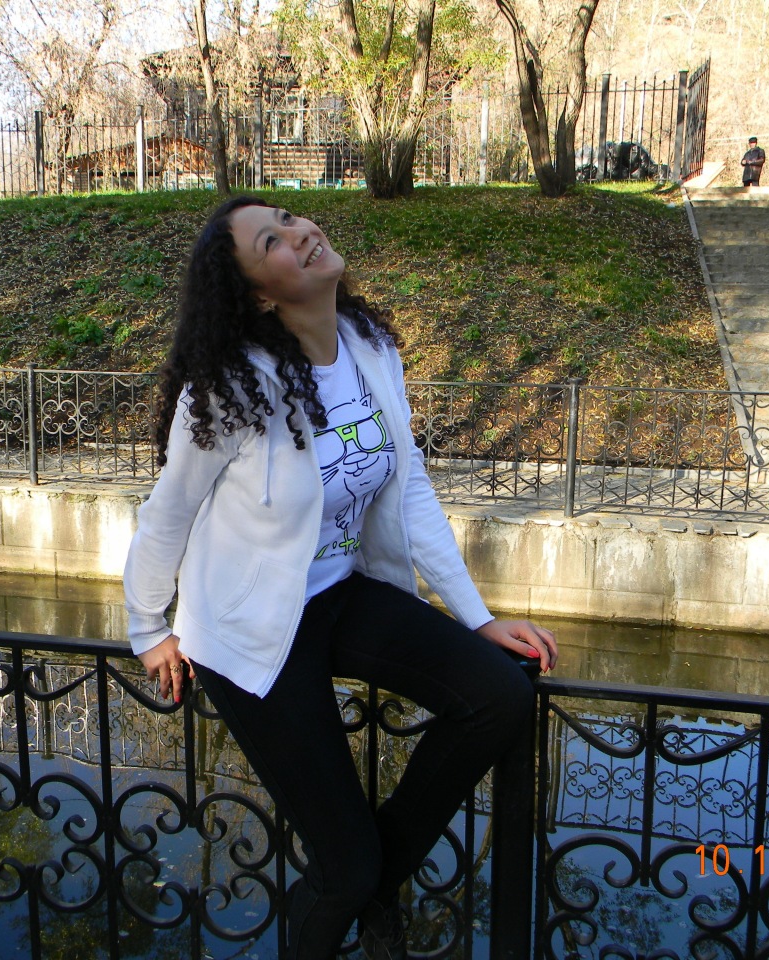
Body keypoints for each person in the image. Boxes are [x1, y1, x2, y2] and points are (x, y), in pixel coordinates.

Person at [122, 195, 558, 960]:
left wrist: (478, 617)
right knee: (344, 869)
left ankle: (373, 882)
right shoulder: (231, 386)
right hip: (251, 627)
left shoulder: (368, 347)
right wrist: (148, 627)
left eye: (289, 219)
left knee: (498, 695)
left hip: (337, 591)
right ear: (260, 295)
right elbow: (169, 511)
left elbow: (409, 485)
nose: (298, 234)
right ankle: (357, 883)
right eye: (272, 241)